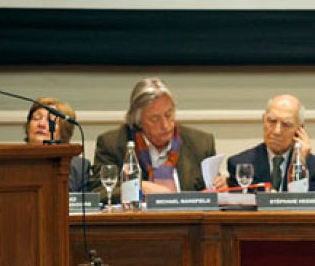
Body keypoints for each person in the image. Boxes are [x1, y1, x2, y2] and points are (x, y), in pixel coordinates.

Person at [93, 78, 224, 201]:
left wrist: (220, 186)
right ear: (138, 121)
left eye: (169, 115)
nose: (165, 125)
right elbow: (99, 192)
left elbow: (213, 190)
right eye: (155, 119)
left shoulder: (201, 143)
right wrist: (138, 188)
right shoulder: (113, 144)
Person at [227, 94, 315, 191]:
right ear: (263, 120)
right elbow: (240, 200)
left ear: (299, 129)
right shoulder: (240, 165)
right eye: (272, 121)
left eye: (286, 124)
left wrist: (299, 162)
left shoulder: (313, 166)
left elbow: (306, 200)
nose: (277, 131)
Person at [25, 96, 92, 192]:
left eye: (50, 120)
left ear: (63, 131)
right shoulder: (11, 162)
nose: (41, 124)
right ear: (28, 126)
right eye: (37, 118)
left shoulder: (78, 167)